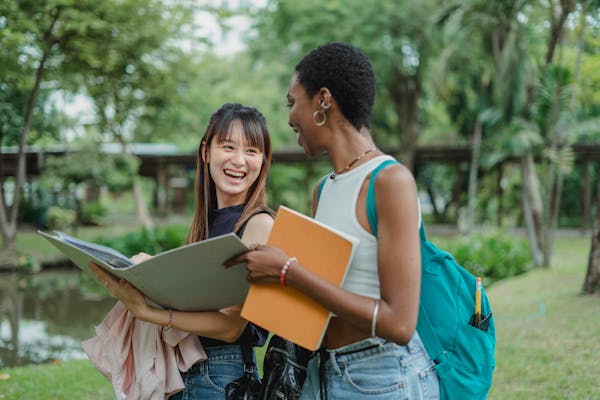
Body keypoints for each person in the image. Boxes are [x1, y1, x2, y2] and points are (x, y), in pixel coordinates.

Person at [226, 43, 440, 399]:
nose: (290, 116)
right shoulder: (323, 190)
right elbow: (320, 294)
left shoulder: (390, 181)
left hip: (382, 376)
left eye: (292, 102)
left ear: (323, 99)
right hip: (322, 372)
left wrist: (288, 272)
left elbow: (399, 324)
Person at [90, 102, 274, 399]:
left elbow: (232, 326)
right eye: (228, 147)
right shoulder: (207, 223)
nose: (239, 160)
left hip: (221, 373)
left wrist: (148, 312)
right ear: (206, 152)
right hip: (186, 367)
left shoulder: (259, 224)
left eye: (252, 151)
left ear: (263, 160)